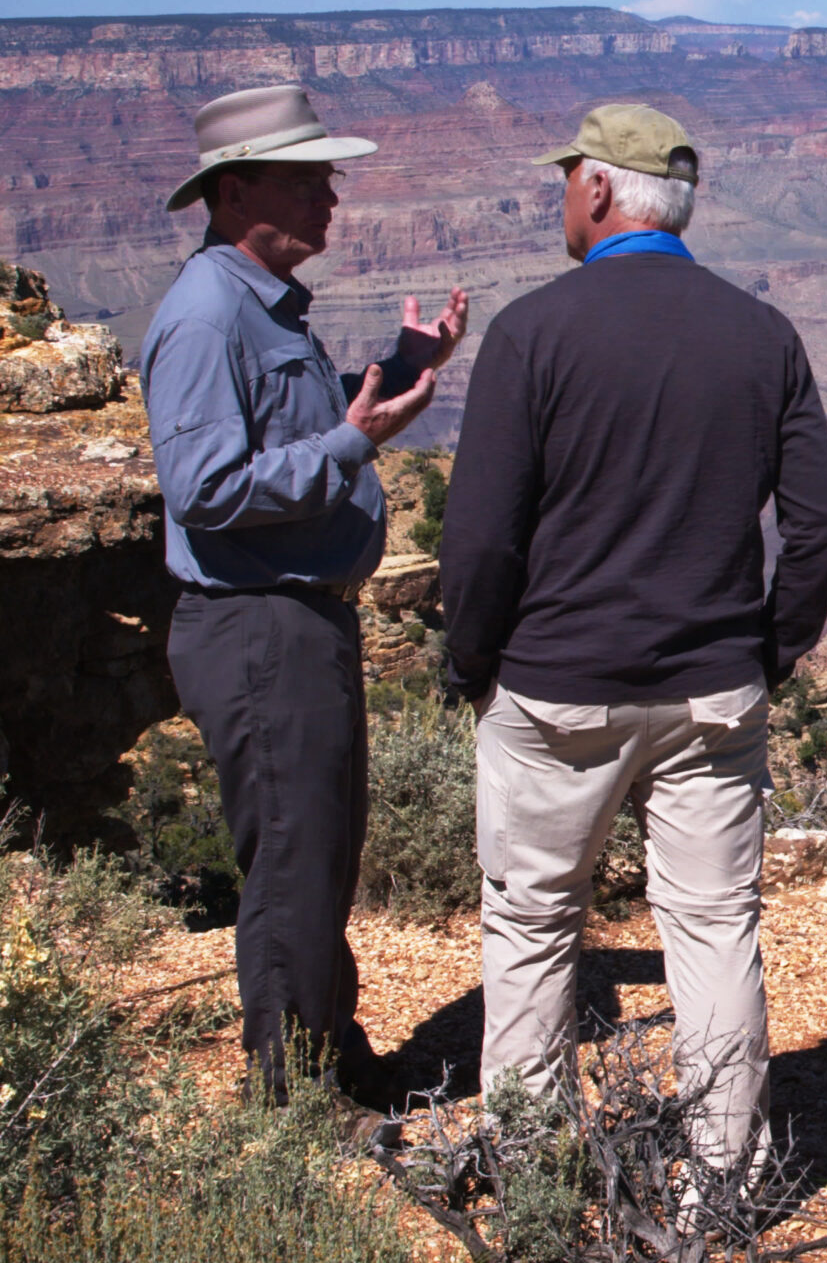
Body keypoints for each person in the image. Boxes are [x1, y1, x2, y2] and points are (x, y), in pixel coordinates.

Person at [440, 104, 827, 1166]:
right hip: (713, 692)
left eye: (565, 178)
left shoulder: (532, 333)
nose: (558, 197)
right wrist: (773, 651)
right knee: (713, 930)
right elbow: (821, 527)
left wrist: (472, 660)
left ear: (598, 191)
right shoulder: (763, 336)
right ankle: (722, 1177)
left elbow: (480, 538)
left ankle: (532, 1171)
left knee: (533, 929)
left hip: (556, 692)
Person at [139, 83, 469, 1105]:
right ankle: (292, 1101)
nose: (332, 196)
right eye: (307, 178)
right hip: (257, 625)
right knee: (291, 859)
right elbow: (204, 489)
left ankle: (337, 1059)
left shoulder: (261, 305)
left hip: (297, 622)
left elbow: (290, 434)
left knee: (319, 853)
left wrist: (399, 370)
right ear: (236, 194)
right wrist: (351, 442)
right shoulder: (206, 318)